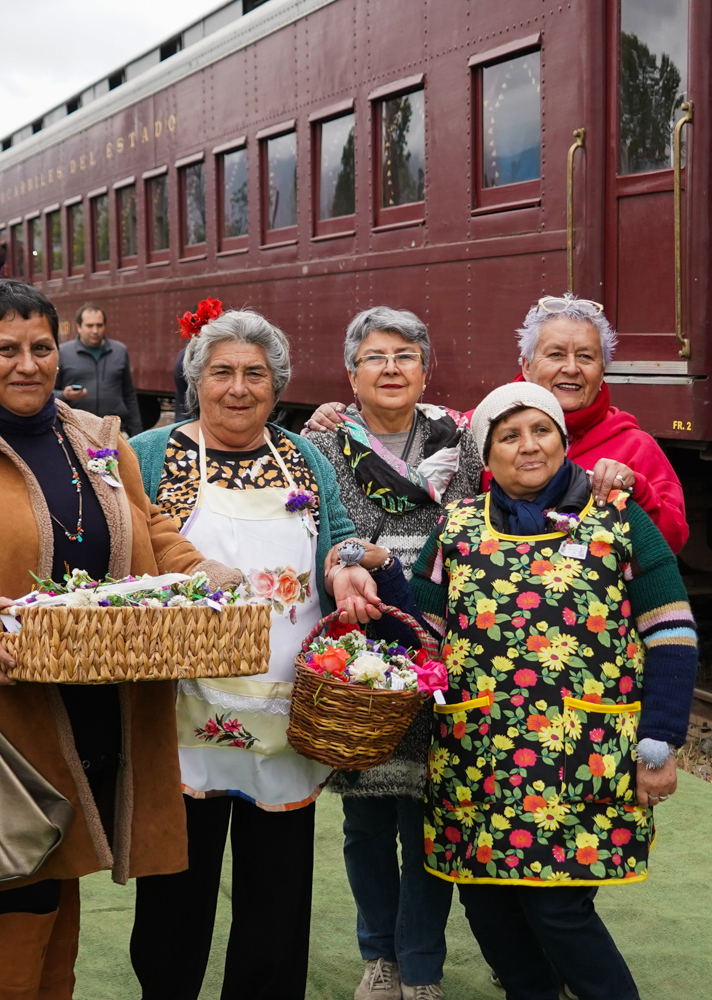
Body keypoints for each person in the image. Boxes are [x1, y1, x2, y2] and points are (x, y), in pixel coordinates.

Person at [0, 279, 237, 998]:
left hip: (108, 698)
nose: (28, 364)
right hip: (4, 704)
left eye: (42, 347)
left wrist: (203, 573)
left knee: (59, 872)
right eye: (6, 349)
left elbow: (150, 525)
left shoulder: (96, 440)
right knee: (30, 881)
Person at [408, 382, 699, 1000]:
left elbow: (671, 633)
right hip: (476, 759)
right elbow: (419, 634)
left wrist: (661, 741)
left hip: (582, 758)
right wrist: (367, 578)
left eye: (541, 431)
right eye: (508, 437)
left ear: (564, 442)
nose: (528, 446)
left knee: (560, 911)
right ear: (486, 459)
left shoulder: (620, 520)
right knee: (487, 905)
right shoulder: (455, 530)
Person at [128, 306, 379, 1000]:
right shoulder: (153, 453)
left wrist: (349, 567)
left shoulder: (303, 456)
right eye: (222, 373)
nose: (238, 388)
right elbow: (125, 554)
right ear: (196, 381)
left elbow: (339, 537)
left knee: (277, 892)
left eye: (255, 374)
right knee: (175, 884)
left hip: (285, 709)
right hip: (179, 714)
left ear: (277, 385)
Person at [301, 306, 483, 1000]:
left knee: (429, 815)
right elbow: (323, 535)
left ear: (425, 369)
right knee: (369, 816)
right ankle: (380, 957)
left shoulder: (462, 441)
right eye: (374, 357)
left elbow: (478, 524)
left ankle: (423, 966)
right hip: (363, 650)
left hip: (443, 643)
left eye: (405, 355)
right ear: (351, 374)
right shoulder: (322, 444)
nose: (391, 369)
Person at [309, 294, 689, 554]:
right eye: (555, 354)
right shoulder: (473, 430)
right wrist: (336, 417)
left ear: (602, 369)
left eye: (586, 357)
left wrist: (636, 489)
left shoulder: (634, 447)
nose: (571, 368)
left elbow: (671, 540)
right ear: (526, 365)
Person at [57, 302, 144, 436]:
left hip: (114, 431)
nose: (95, 331)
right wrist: (64, 395)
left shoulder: (119, 351)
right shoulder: (63, 353)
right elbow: (48, 393)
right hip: (78, 431)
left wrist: (138, 432)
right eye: (89, 326)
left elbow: (129, 394)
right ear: (78, 327)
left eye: (99, 325)